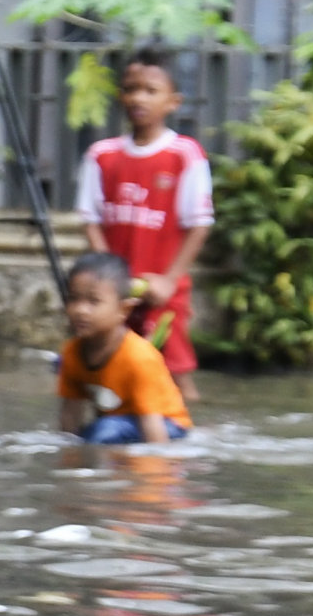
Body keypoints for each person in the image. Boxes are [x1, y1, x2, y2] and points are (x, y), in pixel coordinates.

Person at [77, 48, 213, 400]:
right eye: (131, 88)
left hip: (160, 292)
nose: (139, 97)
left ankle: (187, 435)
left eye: (151, 90)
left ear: (173, 101)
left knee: (173, 372)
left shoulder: (185, 154)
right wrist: (111, 280)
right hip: (113, 293)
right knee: (104, 366)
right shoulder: (102, 155)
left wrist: (169, 280)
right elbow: (91, 220)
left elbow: (199, 224)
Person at [57, 251, 193, 443]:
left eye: (93, 301)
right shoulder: (72, 352)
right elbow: (70, 416)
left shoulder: (139, 357)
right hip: (118, 422)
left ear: (124, 310)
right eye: (74, 299)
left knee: (104, 432)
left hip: (167, 425)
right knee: (92, 434)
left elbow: (153, 430)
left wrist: (155, 470)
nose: (80, 310)